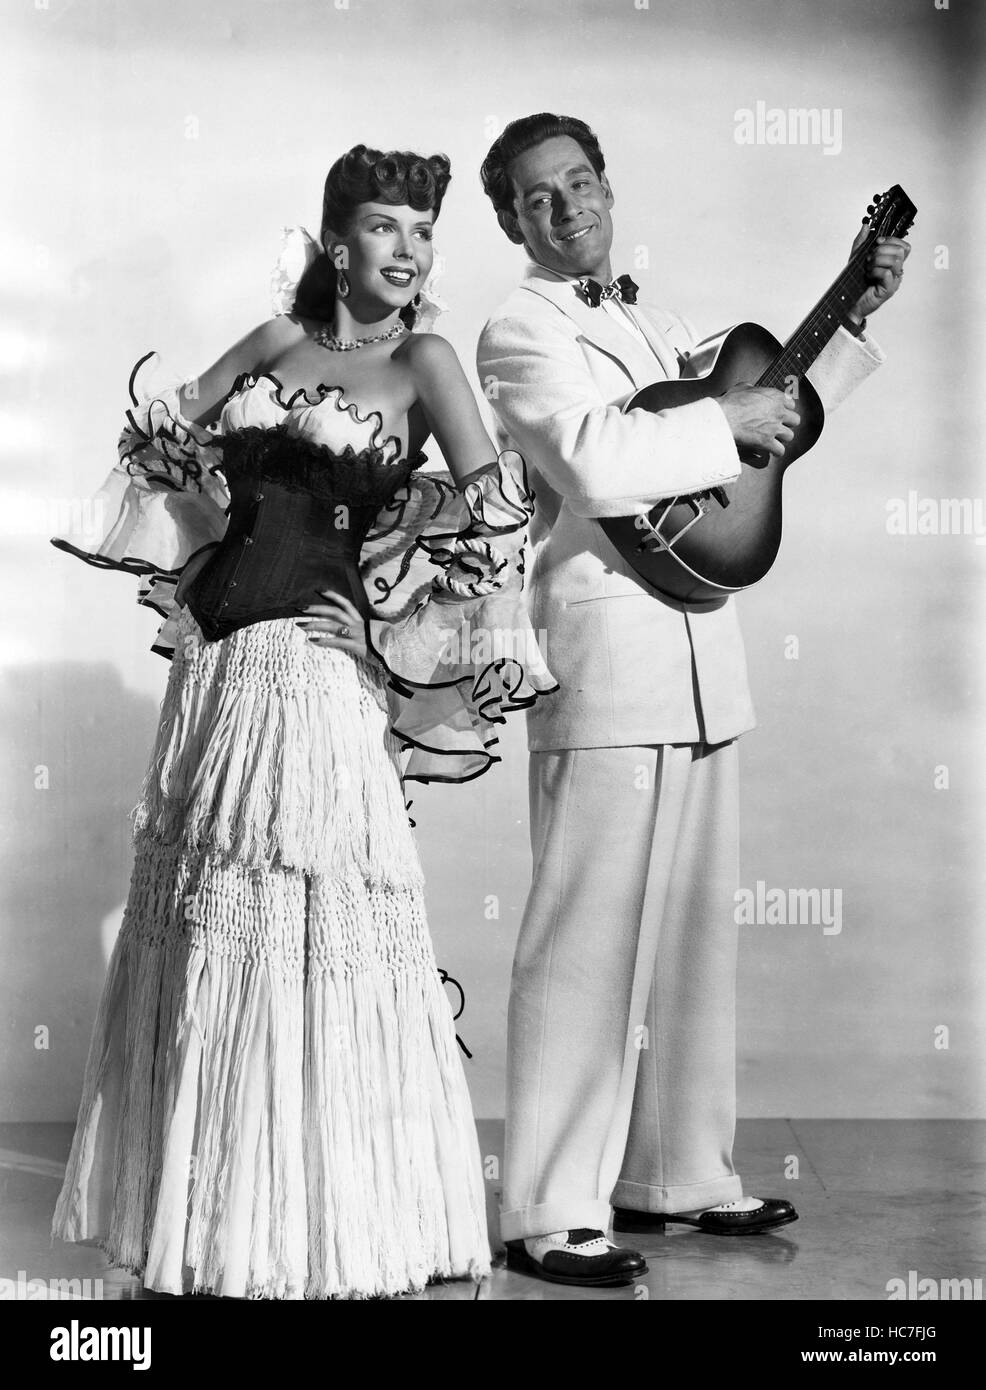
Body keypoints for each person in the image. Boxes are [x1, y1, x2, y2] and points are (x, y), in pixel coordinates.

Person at [49, 144, 555, 1300]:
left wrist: (385, 636)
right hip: (221, 672)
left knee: (316, 910)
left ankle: (331, 1218)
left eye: (422, 233)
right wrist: (190, 475)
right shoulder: (276, 345)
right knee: (209, 915)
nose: (408, 250)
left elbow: (494, 530)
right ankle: (213, 1215)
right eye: (385, 227)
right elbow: (161, 436)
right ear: (337, 242)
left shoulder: (427, 357)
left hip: (320, 677)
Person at [476, 112, 909, 1287]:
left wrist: (848, 319)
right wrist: (725, 420)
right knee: (584, 937)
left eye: (578, 184)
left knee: (692, 932)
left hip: (701, 648)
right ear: (509, 220)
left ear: (607, 188)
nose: (564, 210)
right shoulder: (519, 328)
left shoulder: (653, 320)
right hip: (606, 659)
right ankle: (548, 1206)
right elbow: (592, 458)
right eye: (535, 198)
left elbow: (759, 435)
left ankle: (676, 1173)